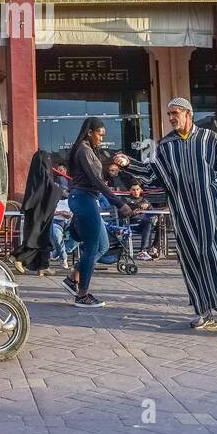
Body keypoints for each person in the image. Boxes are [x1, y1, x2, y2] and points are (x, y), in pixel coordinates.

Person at [116, 97, 217, 329]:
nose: (171, 118)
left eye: (175, 113)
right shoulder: (166, 145)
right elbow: (153, 175)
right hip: (183, 212)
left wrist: (213, 190)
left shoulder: (209, 139)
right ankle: (203, 310)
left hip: (212, 211)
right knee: (193, 258)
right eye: (169, 114)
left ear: (188, 113)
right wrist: (128, 163)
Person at [64, 118, 132, 308]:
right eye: (100, 134)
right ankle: (82, 295)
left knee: (102, 245)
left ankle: (72, 279)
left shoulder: (89, 150)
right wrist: (118, 202)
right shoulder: (84, 150)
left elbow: (96, 179)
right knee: (92, 247)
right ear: (89, 132)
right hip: (84, 199)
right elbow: (96, 181)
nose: (101, 138)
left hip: (87, 199)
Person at [13, 150, 63, 275]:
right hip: (41, 214)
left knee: (43, 238)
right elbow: (51, 190)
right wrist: (60, 190)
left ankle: (43, 266)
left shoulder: (35, 179)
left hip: (41, 212)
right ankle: (18, 257)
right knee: (37, 239)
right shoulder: (43, 178)